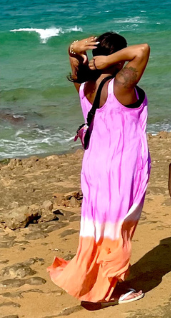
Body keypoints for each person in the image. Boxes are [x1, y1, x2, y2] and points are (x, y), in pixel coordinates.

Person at [49, 33, 151, 304]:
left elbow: (74, 61)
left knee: (96, 228)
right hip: (120, 169)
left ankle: (97, 279)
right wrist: (108, 60)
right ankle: (111, 289)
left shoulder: (84, 87)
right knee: (117, 229)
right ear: (118, 57)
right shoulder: (122, 86)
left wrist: (74, 50)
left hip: (94, 166)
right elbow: (143, 49)